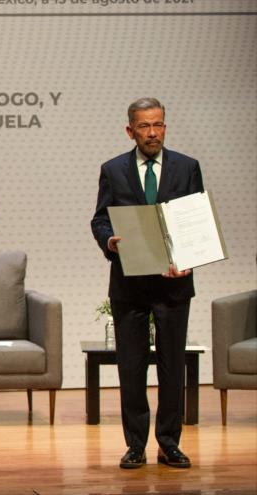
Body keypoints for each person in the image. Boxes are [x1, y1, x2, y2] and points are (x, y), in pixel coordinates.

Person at [91, 97, 202, 469]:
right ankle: (135, 445)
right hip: (129, 285)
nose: (152, 133)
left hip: (174, 283)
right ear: (130, 130)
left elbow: (196, 220)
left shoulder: (188, 167)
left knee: (172, 367)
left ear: (165, 127)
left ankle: (169, 443)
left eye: (158, 125)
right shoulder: (113, 170)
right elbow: (100, 220)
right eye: (144, 126)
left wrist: (188, 260)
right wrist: (109, 241)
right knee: (131, 368)